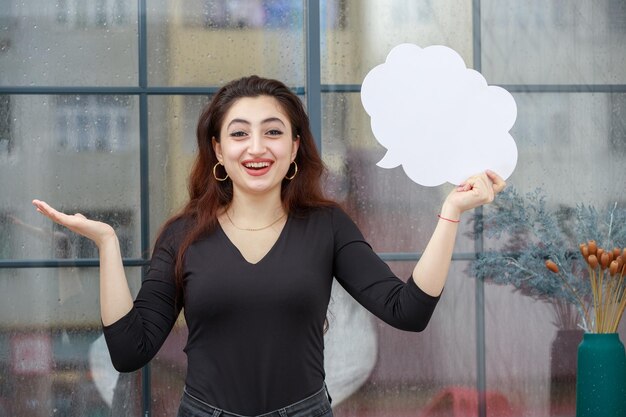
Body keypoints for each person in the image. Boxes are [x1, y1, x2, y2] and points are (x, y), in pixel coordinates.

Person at [32, 75, 506, 417]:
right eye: (239, 133)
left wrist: (450, 214)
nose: (256, 147)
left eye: (273, 132)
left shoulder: (328, 226)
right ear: (217, 149)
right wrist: (107, 243)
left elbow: (408, 311)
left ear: (295, 146)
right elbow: (130, 351)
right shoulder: (183, 235)